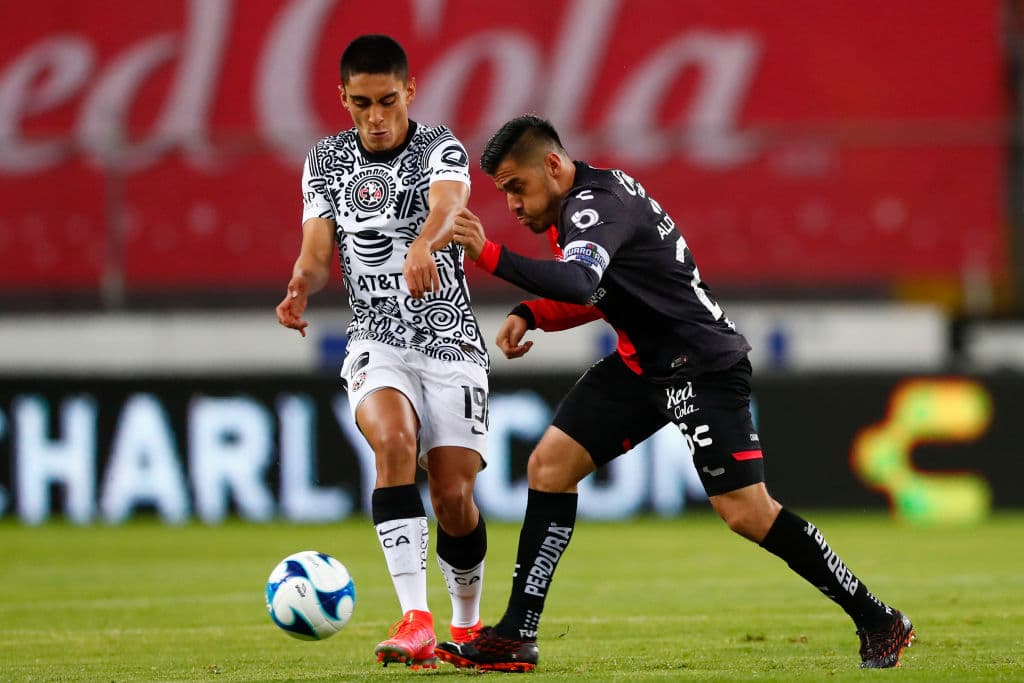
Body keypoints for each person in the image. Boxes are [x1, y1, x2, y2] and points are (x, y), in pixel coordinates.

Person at [433, 115, 914, 672]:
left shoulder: (594, 207)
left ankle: (879, 618)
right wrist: (532, 312)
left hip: (701, 364)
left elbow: (583, 282)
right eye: (504, 193)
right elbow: (602, 291)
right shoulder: (584, 206)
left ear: (554, 165)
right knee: (550, 467)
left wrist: (488, 254)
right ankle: (517, 633)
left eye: (517, 186)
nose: (513, 204)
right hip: (644, 364)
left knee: (746, 512)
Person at [275, 34, 490, 670]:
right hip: (375, 338)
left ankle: (468, 625)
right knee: (393, 444)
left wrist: (425, 243)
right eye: (361, 102)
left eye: (387, 100)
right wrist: (299, 285)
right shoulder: (325, 162)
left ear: (410, 92)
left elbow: (451, 206)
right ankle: (416, 619)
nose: (375, 116)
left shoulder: (440, 148)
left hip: (450, 341)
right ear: (342, 98)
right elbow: (317, 254)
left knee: (453, 497)